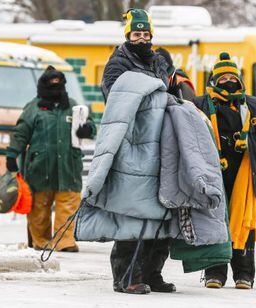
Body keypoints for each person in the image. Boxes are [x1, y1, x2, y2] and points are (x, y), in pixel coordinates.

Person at [94, 8, 175, 294]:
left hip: (159, 144)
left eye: (146, 34)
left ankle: (152, 273)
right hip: (130, 145)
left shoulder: (159, 63)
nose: (142, 38)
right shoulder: (117, 64)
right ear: (128, 35)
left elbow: (168, 95)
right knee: (132, 212)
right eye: (136, 34)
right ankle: (127, 276)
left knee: (161, 211)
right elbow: (117, 97)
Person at [193, 52, 256, 289]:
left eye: (231, 77)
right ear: (214, 81)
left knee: (244, 222)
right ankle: (214, 273)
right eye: (222, 78)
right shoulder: (200, 105)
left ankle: (244, 275)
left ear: (239, 79)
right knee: (214, 221)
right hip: (212, 174)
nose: (227, 82)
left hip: (245, 173)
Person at [6, 66, 96, 253]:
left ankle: (64, 241)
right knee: (39, 206)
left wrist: (88, 129)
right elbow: (21, 132)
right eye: (51, 84)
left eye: (59, 83)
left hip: (69, 165)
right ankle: (40, 240)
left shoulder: (73, 106)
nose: (56, 88)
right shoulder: (33, 108)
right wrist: (12, 154)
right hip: (40, 167)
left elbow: (91, 125)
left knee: (69, 203)